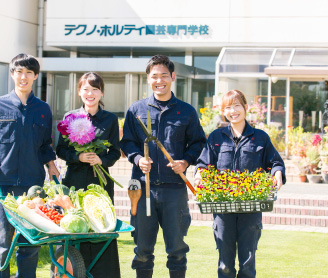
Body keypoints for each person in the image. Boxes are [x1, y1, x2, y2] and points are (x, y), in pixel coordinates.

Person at [0, 53, 60, 278]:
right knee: (1, 241)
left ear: (35, 76)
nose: (24, 77)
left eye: (29, 73)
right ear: (12, 74)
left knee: (30, 242)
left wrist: (51, 164)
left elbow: (45, 144)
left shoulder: (43, 109)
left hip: (32, 187)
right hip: (3, 184)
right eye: (19, 72)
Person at [120, 55, 206, 278]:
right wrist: (138, 158)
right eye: (154, 76)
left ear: (173, 77)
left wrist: (185, 161)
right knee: (142, 251)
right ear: (148, 79)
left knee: (177, 251)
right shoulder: (136, 110)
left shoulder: (186, 111)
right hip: (141, 188)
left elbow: (198, 143)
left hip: (174, 191)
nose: (160, 80)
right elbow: (127, 142)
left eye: (164, 75)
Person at [194, 89, 285, 278]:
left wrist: (277, 174)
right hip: (222, 208)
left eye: (236, 105)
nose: (233, 111)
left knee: (247, 264)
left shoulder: (260, 137)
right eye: (228, 107)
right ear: (223, 111)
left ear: (245, 107)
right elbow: (204, 163)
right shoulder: (216, 137)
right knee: (225, 265)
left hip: (251, 210)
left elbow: (275, 162)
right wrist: (200, 175)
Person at [56, 72, 121, 277]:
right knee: (74, 227)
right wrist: (79, 157)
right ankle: (71, 272)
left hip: (100, 184)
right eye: (86, 89)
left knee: (100, 230)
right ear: (79, 92)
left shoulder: (110, 119)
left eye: (95, 89)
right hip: (74, 182)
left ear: (101, 93)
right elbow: (60, 150)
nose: (90, 93)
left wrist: (102, 160)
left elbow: (116, 152)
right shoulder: (70, 117)